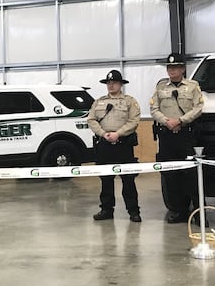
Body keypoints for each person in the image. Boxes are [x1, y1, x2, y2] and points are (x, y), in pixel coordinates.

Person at [150, 53, 204, 223]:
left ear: (182, 69)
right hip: (167, 136)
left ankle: (197, 210)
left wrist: (181, 120)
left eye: (175, 67)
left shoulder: (193, 86)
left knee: (191, 174)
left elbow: (199, 107)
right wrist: (167, 121)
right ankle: (177, 210)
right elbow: (154, 109)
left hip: (186, 135)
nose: (172, 71)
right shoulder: (160, 87)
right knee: (170, 174)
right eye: (169, 68)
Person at [87, 69, 142, 222]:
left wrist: (118, 133)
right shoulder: (99, 102)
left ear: (120, 84)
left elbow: (134, 121)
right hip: (104, 144)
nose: (111, 86)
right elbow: (91, 119)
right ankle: (106, 210)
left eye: (114, 83)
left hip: (123, 144)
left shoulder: (129, 101)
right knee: (106, 180)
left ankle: (133, 211)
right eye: (109, 83)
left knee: (128, 180)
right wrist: (103, 134)